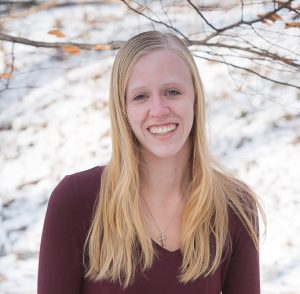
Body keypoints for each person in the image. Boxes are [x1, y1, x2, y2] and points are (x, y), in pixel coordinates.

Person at [37, 30, 265, 294]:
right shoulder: (76, 201)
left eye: (172, 91)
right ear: (123, 109)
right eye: (140, 96)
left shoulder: (234, 206)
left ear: (195, 98)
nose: (158, 110)